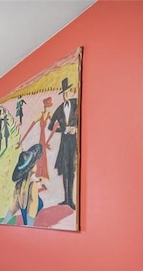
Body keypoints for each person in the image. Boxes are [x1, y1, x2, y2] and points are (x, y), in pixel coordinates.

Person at [48, 77, 78, 210]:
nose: (66, 94)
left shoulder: (77, 103)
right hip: (64, 143)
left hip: (75, 141)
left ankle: (71, 200)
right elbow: (50, 126)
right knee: (66, 170)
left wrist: (76, 128)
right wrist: (64, 129)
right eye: (64, 92)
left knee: (73, 169)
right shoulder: (60, 109)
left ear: (71, 91)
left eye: (67, 92)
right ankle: (66, 199)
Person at [1, 144, 44, 226]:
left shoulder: (19, 184)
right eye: (35, 164)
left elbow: (15, 204)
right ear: (32, 168)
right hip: (30, 219)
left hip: (28, 213)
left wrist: (4, 222)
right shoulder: (32, 185)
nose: (36, 165)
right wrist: (29, 226)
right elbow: (32, 205)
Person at [17, 97, 55, 185]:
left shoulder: (50, 114)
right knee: (39, 157)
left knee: (43, 157)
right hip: (41, 139)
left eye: (48, 106)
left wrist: (49, 140)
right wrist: (21, 141)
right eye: (46, 106)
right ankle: (40, 179)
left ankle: (43, 179)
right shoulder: (41, 114)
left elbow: (56, 124)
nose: (47, 107)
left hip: (45, 139)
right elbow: (31, 126)